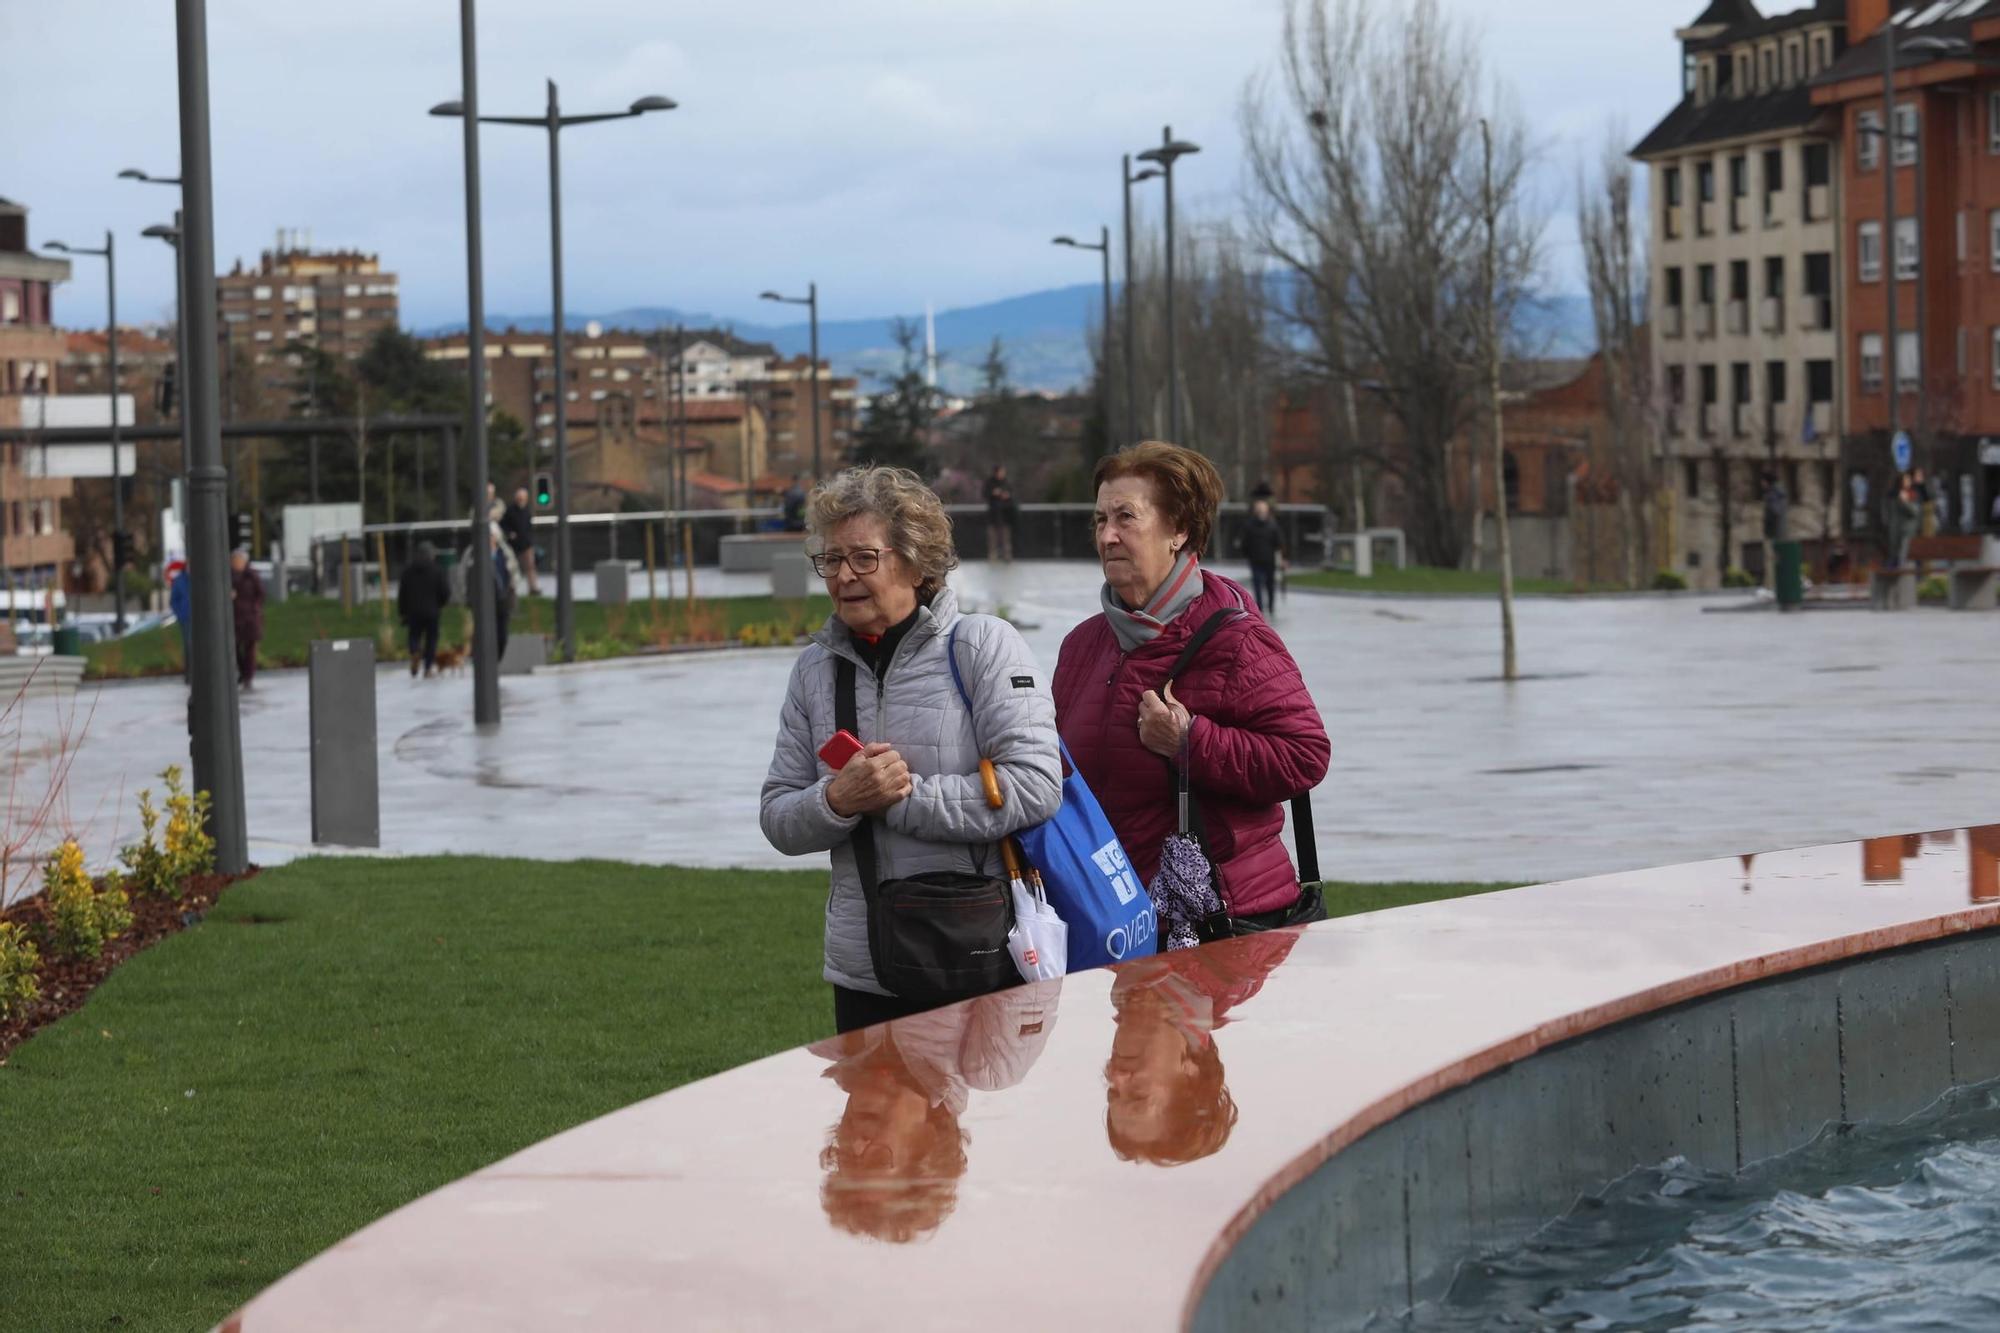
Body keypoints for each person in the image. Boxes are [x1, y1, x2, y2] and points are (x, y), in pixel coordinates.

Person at [760, 465, 1062, 1035]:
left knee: (977, 1122)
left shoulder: (984, 647)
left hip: (977, 954)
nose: (843, 575)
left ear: (916, 560)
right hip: (865, 970)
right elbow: (778, 817)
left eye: (864, 557)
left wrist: (898, 798)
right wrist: (837, 801)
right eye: (831, 559)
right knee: (872, 1126)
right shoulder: (814, 672)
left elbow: (1037, 785)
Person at [1053, 442, 1330, 933]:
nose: (1108, 536)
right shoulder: (1082, 646)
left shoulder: (1238, 641)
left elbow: (1304, 756)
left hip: (1221, 924)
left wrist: (1190, 743)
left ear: (1178, 530)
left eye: (1125, 518)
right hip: (1117, 922)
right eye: (1100, 520)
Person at [812, 983, 1058, 1242]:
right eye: (877, 1160)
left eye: (849, 1158)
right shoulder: (994, 1061)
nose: (859, 1144)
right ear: (925, 1143)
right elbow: (1036, 959)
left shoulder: (825, 1037)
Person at [1105, 931, 1297, 1167]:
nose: (1117, 1076)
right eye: (1137, 1094)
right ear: (1189, 1071)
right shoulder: (1242, 957)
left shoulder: (1097, 954)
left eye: (1113, 1093)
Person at [397, 541, 452, 679]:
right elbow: (445, 591)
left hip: (413, 612)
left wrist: (403, 612)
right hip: (432, 611)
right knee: (432, 639)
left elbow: (402, 593)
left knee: (414, 635)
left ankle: (415, 652)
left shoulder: (408, 571)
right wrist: (440, 604)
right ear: (431, 555)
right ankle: (428, 668)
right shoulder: (437, 570)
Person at [1236, 497, 1287, 617]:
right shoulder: (1249, 526)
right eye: (1259, 510)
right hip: (1255, 560)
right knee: (1257, 584)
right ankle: (1260, 609)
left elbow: (1280, 543)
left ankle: (1270, 607)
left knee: (1270, 584)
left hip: (1269, 560)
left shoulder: (1272, 525)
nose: (1261, 512)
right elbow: (1244, 543)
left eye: (1263, 510)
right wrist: (1247, 555)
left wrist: (1283, 558)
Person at [228, 548, 264, 690]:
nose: (237, 563)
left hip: (250, 617)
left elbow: (261, 594)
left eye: (239, 560)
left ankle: (248, 676)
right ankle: (242, 672)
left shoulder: (252, 576)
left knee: (250, 648)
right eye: (234, 560)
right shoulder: (228, 576)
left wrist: (256, 607)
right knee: (234, 647)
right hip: (234, 618)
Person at [502, 486, 538, 596]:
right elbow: (503, 525)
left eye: (523, 498)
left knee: (530, 567)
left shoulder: (527, 510)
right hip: (513, 545)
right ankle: (511, 589)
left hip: (526, 544)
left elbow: (529, 526)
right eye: (519, 497)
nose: (521, 500)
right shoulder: (510, 510)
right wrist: (510, 534)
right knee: (511, 567)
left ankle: (533, 588)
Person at [983, 465, 1017, 564]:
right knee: (992, 536)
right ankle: (992, 556)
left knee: (1006, 536)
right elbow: (985, 494)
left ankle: (1007, 555)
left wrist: (1007, 496)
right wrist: (993, 493)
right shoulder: (990, 482)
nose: (1002, 474)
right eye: (1000, 472)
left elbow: (1012, 495)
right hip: (993, 514)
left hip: (1005, 514)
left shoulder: (1007, 482)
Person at [166, 559, 191, 681]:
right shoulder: (179, 580)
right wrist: (180, 614)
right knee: (188, 645)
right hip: (186, 618)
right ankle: (189, 673)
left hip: (201, 619)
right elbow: (173, 601)